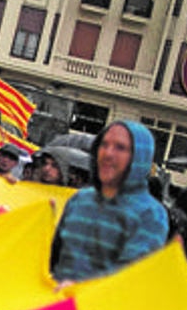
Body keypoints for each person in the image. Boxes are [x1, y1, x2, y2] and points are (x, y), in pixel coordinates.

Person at [51, 120, 168, 284]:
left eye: (120, 148)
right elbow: (51, 257)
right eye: (104, 145)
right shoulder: (79, 200)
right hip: (56, 304)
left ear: (139, 157)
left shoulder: (150, 215)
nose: (108, 153)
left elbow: (129, 280)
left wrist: (79, 289)